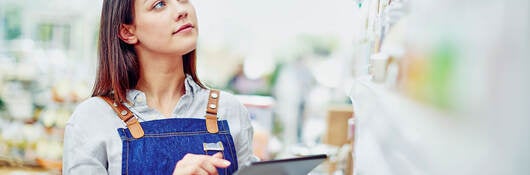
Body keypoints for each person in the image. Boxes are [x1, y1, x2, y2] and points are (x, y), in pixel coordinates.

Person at [62, 0, 256, 174]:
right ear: (127, 31)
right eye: (159, 4)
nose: (181, 10)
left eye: (183, 0)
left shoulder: (230, 111)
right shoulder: (92, 120)